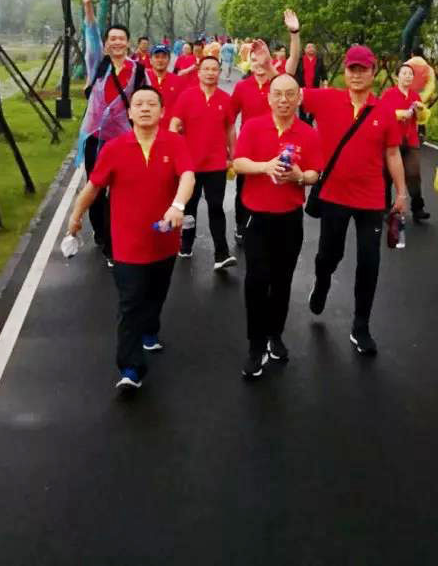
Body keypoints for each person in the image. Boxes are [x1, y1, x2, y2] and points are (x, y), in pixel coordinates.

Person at [68, 87, 195, 393]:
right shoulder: (114, 148)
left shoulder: (175, 143)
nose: (145, 108)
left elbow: (188, 176)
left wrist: (177, 206)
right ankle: (130, 368)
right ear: (129, 113)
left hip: (164, 241)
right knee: (130, 302)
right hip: (127, 244)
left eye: (151, 104)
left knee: (156, 294)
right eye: (139, 104)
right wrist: (75, 216)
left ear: (162, 112)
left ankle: (150, 330)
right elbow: (94, 186)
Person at [303, 44, 406, 355]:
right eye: (352, 69)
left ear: (373, 73)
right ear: (345, 72)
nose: (357, 74)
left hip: (371, 199)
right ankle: (322, 281)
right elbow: (286, 90)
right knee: (328, 255)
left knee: (369, 262)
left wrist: (401, 192)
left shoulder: (384, 111)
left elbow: (392, 154)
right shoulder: (327, 99)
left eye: (363, 69)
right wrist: (282, 54)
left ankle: (361, 326)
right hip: (334, 195)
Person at [233, 73, 323, 377]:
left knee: (282, 281)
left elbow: (314, 173)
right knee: (257, 280)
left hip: (289, 219)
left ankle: (275, 335)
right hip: (257, 217)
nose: (283, 100)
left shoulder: (308, 133)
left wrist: (299, 176)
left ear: (299, 98)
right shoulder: (253, 126)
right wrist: (265, 166)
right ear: (269, 98)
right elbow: (238, 163)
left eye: (290, 94)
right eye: (278, 94)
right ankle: (255, 345)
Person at [77, 0, 149, 262]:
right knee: (96, 188)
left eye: (121, 38)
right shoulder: (99, 63)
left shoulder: (138, 70)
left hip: (124, 140)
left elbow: (145, 102)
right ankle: (103, 235)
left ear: (128, 42)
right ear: (106, 44)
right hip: (96, 139)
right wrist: (88, 5)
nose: (117, 42)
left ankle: (115, 237)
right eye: (112, 39)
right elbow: (91, 35)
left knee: (121, 190)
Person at [230, 12, 301, 244]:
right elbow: (229, 119)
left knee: (277, 187)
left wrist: (294, 33)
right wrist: (231, 150)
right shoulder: (242, 87)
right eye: (254, 60)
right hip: (250, 148)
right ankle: (242, 226)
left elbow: (293, 60)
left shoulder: (277, 82)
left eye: (261, 60)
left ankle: (274, 228)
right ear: (248, 63)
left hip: (279, 145)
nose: (258, 65)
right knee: (244, 189)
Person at [169, 56, 237, 269]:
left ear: (219, 73)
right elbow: (174, 124)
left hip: (216, 164)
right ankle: (186, 245)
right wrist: (175, 151)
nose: (210, 73)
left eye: (214, 69)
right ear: (199, 73)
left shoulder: (225, 99)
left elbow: (230, 129)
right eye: (206, 69)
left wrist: (234, 156)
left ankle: (221, 254)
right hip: (190, 165)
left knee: (216, 207)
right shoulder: (187, 96)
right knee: (189, 208)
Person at [381, 61, 430, 223]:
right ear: (397, 77)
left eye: (410, 74)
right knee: (387, 175)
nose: (408, 76)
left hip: (410, 140)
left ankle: (418, 208)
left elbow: (421, 119)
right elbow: (383, 114)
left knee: (414, 173)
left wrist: (420, 110)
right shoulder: (389, 94)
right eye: (404, 73)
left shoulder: (415, 96)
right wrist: (400, 114)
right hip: (390, 141)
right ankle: (385, 207)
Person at [146, 44, 182, 125]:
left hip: (171, 128)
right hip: (147, 127)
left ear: (169, 60)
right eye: (157, 57)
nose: (160, 60)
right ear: (150, 60)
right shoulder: (143, 79)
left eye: (164, 57)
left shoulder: (179, 81)